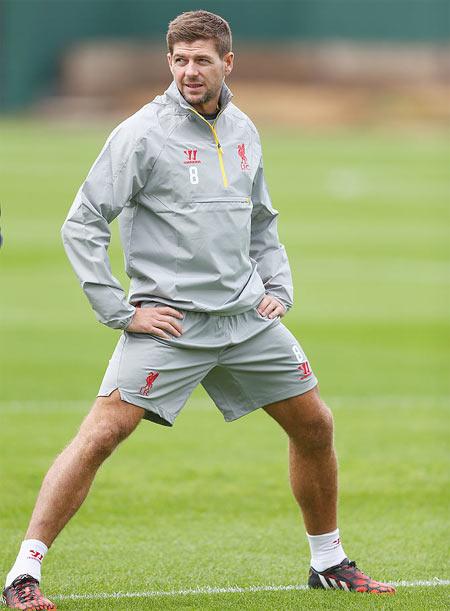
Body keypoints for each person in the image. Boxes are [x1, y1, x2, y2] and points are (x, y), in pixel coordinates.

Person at [2, 10, 395, 609]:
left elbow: (262, 221)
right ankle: (23, 574)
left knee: (315, 425)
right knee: (101, 436)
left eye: (202, 60)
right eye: (180, 60)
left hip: (244, 320)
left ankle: (328, 561)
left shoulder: (243, 128)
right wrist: (118, 310)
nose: (190, 71)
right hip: (172, 325)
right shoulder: (140, 134)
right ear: (169, 63)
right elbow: (82, 223)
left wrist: (279, 287)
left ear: (227, 63)